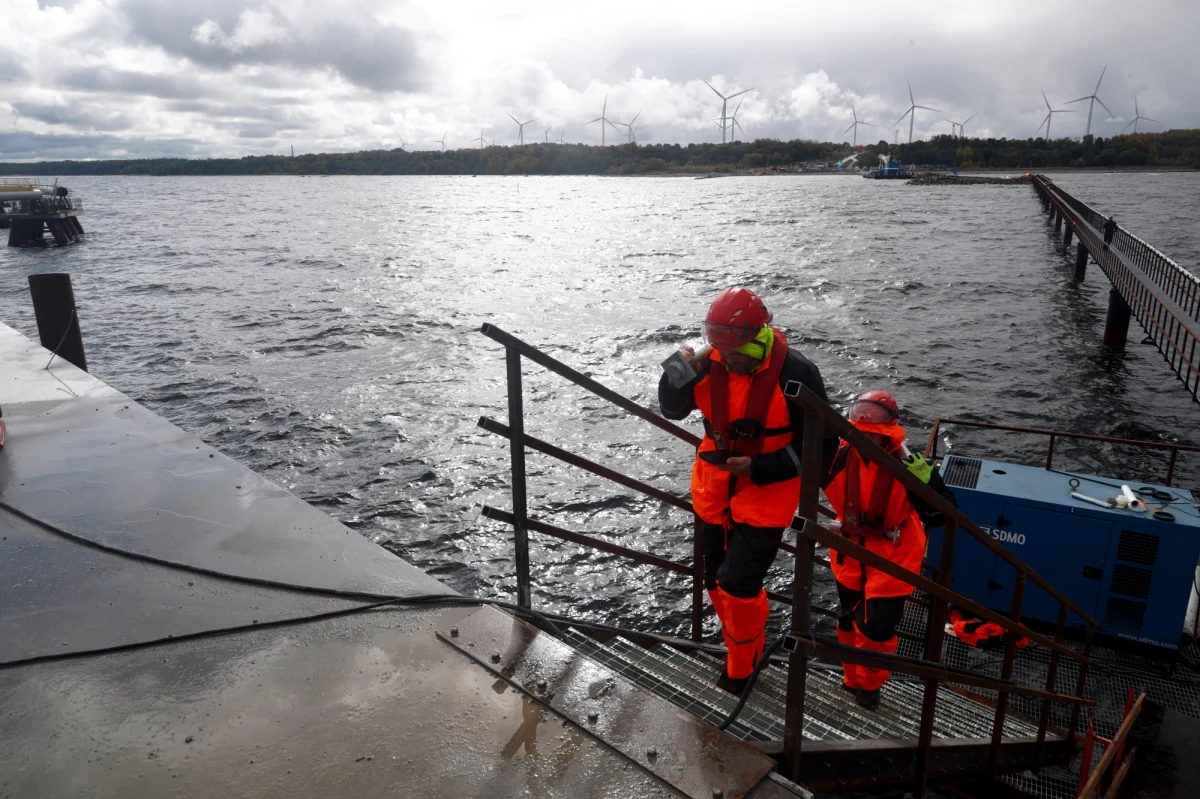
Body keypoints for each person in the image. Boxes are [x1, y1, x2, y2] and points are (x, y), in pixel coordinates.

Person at [659, 286, 837, 695]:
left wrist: (759, 467)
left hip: (767, 492)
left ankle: (741, 668)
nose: (731, 359)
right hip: (713, 487)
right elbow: (672, 409)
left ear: (759, 338)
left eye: (738, 352)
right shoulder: (706, 361)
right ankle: (742, 645)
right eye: (722, 349)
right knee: (714, 581)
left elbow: (822, 445)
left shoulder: (797, 372)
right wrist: (671, 377)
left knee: (737, 584)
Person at [822, 390, 956, 710]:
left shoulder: (909, 466)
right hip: (850, 550)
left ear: (889, 436)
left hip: (895, 552)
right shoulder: (837, 458)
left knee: (877, 627)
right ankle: (850, 679)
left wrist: (929, 485)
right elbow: (796, 462)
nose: (867, 441)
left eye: (874, 435)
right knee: (847, 620)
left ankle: (869, 689)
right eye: (861, 433)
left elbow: (943, 515)